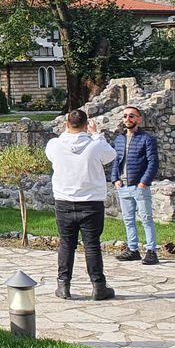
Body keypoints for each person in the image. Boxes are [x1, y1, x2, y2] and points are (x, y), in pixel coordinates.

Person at [45, 109, 118, 301]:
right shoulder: (95, 145)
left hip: (64, 201)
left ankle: (63, 285)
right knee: (92, 244)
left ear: (66, 124)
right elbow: (111, 155)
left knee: (66, 243)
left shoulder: (55, 144)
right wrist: (96, 134)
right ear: (86, 125)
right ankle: (98, 286)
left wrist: (66, 133)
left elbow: (52, 154)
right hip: (91, 201)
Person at [111, 105, 160, 265]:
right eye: (125, 116)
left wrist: (143, 182)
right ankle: (133, 250)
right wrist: (115, 179)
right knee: (128, 220)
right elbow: (116, 161)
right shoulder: (119, 139)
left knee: (146, 219)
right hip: (123, 186)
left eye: (131, 116)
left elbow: (153, 163)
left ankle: (151, 251)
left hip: (139, 186)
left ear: (139, 119)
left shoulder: (147, 139)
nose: (127, 119)